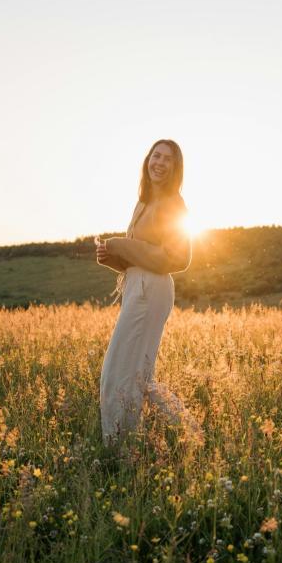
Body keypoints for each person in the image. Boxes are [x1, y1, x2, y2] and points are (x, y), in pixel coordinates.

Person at [96, 139, 204, 450]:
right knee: (135, 374)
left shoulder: (173, 204)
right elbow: (143, 258)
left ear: (175, 168)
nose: (159, 162)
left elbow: (177, 257)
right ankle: (189, 436)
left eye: (167, 159)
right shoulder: (143, 203)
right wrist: (112, 256)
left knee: (119, 373)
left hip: (151, 289)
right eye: (155, 155)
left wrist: (120, 245)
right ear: (147, 160)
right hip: (138, 287)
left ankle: (119, 449)